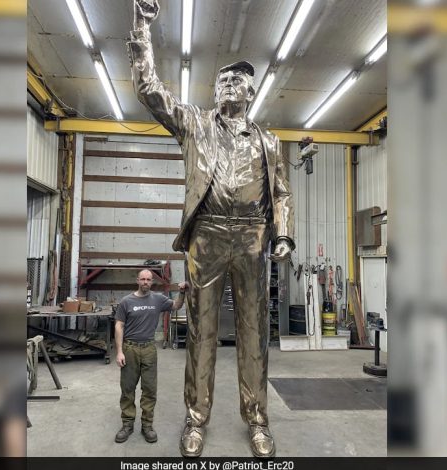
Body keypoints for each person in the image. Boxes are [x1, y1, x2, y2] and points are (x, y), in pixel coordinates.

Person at [127, 0, 295, 458]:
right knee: (200, 331)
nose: (225, 85)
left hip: (253, 238)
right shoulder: (195, 125)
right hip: (207, 236)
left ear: (250, 91)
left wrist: (282, 235)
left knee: (253, 332)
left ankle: (258, 420)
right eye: (221, 80)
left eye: (235, 81)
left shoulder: (269, 141)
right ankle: (195, 420)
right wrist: (141, 27)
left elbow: (280, 193)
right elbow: (149, 89)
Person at [114, 269, 187, 444]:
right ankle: (127, 424)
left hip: (149, 349)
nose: (146, 282)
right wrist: (119, 351)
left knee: (149, 390)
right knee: (128, 389)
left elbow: (176, 306)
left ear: (152, 282)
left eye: (149, 279)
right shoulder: (126, 301)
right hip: (130, 348)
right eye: (143, 279)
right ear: (137, 281)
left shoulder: (158, 299)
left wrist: (182, 292)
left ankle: (147, 425)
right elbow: (119, 326)